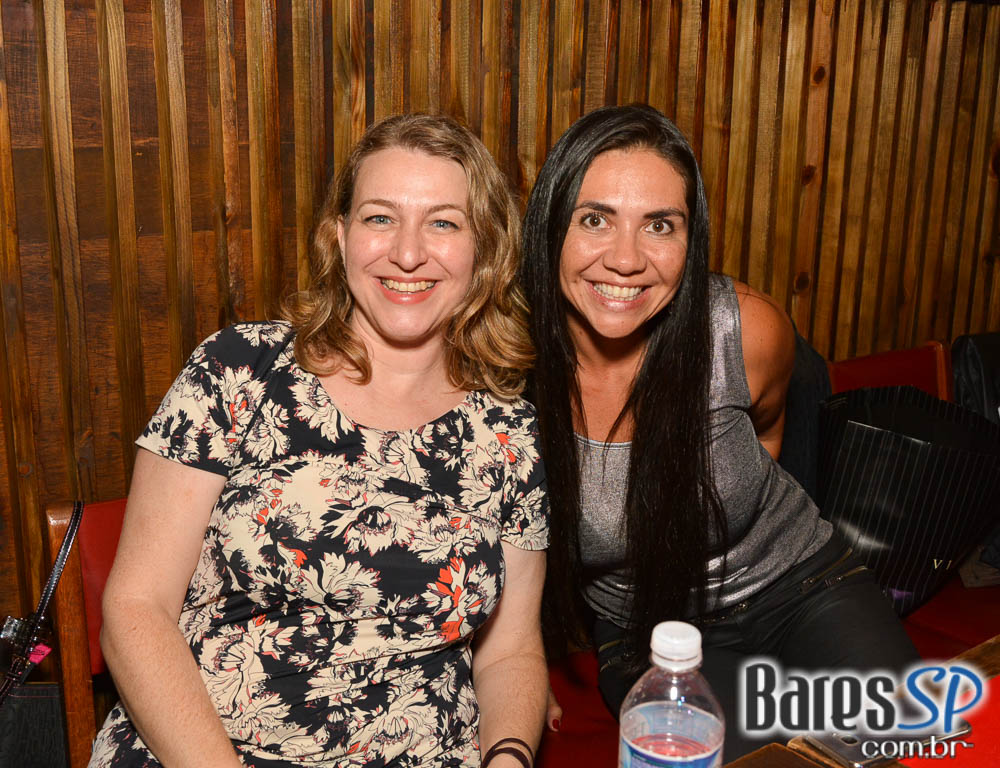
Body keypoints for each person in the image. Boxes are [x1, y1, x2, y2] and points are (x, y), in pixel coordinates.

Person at [92, 114, 549, 768]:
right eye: (380, 218)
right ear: (339, 236)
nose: (408, 253)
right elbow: (136, 609)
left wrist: (508, 758)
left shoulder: (510, 432)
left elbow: (511, 651)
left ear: (485, 250)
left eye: (444, 223)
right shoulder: (238, 370)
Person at [520, 104, 919, 758]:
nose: (626, 259)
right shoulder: (509, 372)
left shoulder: (743, 330)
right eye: (595, 219)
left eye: (659, 225)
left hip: (803, 587)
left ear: (691, 238)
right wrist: (519, 660)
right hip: (647, 633)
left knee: (907, 742)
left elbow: (769, 438)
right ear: (549, 226)